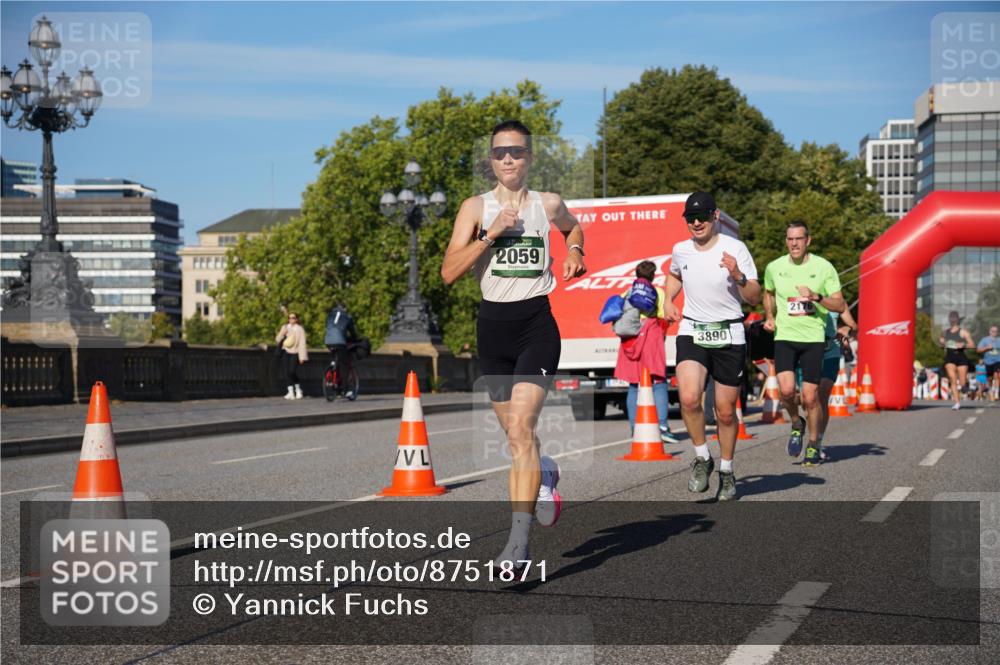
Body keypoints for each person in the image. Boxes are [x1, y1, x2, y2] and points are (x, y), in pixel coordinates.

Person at [440, 120, 586, 567]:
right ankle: (544, 473)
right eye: (500, 152)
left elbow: (573, 229)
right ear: (491, 160)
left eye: (517, 152)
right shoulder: (474, 208)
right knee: (515, 436)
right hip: (493, 330)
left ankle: (518, 547)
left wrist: (575, 251)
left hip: (536, 326)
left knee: (521, 431)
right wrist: (489, 236)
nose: (508, 159)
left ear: (529, 158)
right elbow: (448, 273)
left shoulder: (548, 204)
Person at [663, 191, 761, 501]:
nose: (696, 222)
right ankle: (703, 458)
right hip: (693, 328)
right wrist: (667, 300)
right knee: (689, 398)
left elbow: (754, 296)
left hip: (729, 333)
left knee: (725, 412)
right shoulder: (681, 250)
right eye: (690, 218)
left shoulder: (735, 248)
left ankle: (727, 471)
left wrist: (737, 274)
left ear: (714, 216)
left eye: (702, 216)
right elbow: (674, 275)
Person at [763, 221, 846, 466]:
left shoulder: (824, 267)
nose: (794, 243)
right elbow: (768, 292)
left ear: (807, 240)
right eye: (790, 239)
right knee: (787, 392)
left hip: (813, 338)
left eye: (799, 239)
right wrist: (769, 316)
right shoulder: (774, 267)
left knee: (811, 398)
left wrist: (816, 297)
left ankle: (813, 444)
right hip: (785, 337)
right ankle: (796, 422)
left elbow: (840, 304)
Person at [614, 260, 679, 444]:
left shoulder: (627, 293)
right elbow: (666, 316)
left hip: (630, 339)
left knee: (634, 385)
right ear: (652, 275)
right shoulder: (658, 292)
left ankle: (636, 429)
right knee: (658, 382)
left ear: (636, 274)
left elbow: (618, 315)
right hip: (651, 336)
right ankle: (662, 427)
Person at [814, 308, 858, 462]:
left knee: (822, 395)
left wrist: (848, 328)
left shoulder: (837, 299)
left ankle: (817, 443)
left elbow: (854, 326)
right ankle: (799, 427)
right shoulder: (804, 290)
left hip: (830, 351)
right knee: (809, 400)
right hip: (808, 350)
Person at [939, 311, 975, 410]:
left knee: (962, 383)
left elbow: (972, 345)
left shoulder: (963, 332)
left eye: (954, 317)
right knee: (952, 378)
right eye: (951, 317)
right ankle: (957, 402)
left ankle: (964, 387)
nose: (952, 319)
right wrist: (942, 343)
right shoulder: (945, 332)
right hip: (950, 357)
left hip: (961, 358)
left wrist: (963, 345)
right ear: (949, 319)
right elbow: (941, 342)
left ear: (958, 319)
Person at [324, 301, 359, 399]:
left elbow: (329, 327)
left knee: (336, 358)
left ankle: (332, 369)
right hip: (340, 342)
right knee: (345, 364)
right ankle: (345, 389)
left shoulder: (330, 315)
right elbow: (352, 332)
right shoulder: (347, 317)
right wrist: (355, 339)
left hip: (328, 341)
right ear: (345, 308)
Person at [276, 311, 308, 399]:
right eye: (289, 318)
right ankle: (290, 391)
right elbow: (278, 339)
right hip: (285, 351)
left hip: (295, 352)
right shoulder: (285, 327)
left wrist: (302, 357)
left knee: (292, 371)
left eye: (293, 318)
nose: (291, 319)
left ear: (297, 319)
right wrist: (283, 333)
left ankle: (298, 389)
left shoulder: (300, 329)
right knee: (286, 372)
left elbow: (302, 343)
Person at [977, 324, 1000, 402]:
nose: (994, 332)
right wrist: (986, 348)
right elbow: (978, 350)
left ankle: (996, 393)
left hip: (998, 361)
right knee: (990, 379)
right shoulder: (985, 340)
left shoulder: (999, 340)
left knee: (997, 375)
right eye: (993, 331)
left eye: (996, 331)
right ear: (990, 332)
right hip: (988, 362)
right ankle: (991, 391)